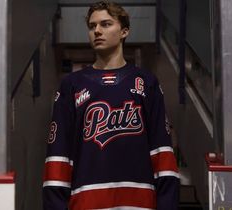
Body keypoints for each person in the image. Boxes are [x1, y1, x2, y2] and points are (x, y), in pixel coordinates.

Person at [42, 1, 179, 210]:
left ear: (124, 31)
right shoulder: (71, 85)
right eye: (92, 26)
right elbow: (58, 156)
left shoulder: (146, 82)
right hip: (86, 203)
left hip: (140, 203)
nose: (97, 30)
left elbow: (162, 153)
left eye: (105, 24)